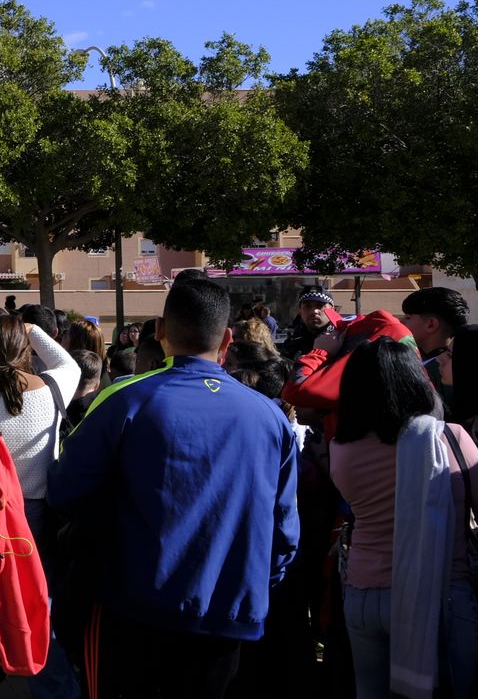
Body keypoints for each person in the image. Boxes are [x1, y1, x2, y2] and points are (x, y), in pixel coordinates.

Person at [49, 276, 300, 698]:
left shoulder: (126, 401)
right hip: (227, 611)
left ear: (161, 331)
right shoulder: (270, 417)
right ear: (227, 340)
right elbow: (285, 528)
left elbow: (64, 490)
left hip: (136, 607)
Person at [329, 338, 478, 699]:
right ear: (414, 380)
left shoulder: (341, 449)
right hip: (441, 592)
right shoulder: (448, 438)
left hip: (363, 595)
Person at [0, 315, 80, 542]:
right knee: (38, 573)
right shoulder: (52, 388)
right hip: (37, 508)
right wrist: (32, 329)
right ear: (25, 348)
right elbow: (69, 365)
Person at [401, 286, 469, 389]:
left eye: (408, 317)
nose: (401, 322)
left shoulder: (441, 371)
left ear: (431, 324)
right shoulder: (418, 358)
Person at [283, 289, 342, 359]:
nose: (314, 311)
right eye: (307, 306)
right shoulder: (292, 342)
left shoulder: (343, 338)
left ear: (332, 310)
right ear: (300, 311)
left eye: (320, 306)